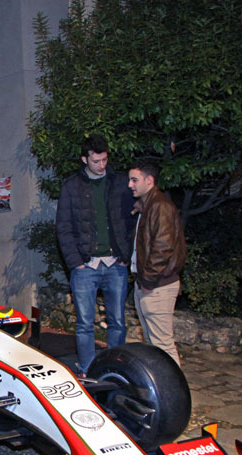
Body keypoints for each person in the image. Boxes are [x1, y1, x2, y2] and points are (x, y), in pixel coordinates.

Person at [56, 134, 135, 376]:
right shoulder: (71, 187)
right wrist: (75, 263)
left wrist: (125, 254)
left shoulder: (120, 182)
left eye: (104, 160)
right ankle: (87, 370)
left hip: (115, 264)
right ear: (84, 159)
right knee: (84, 325)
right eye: (96, 161)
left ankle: (116, 369)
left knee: (118, 322)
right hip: (85, 266)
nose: (101, 166)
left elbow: (131, 221)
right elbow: (63, 227)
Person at [127, 161, 187, 367]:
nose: (130, 185)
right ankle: (163, 393)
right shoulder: (150, 205)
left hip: (157, 285)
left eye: (134, 180)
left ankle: (173, 394)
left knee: (163, 346)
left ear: (149, 180)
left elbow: (162, 248)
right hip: (150, 284)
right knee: (155, 346)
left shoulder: (160, 206)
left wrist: (149, 281)